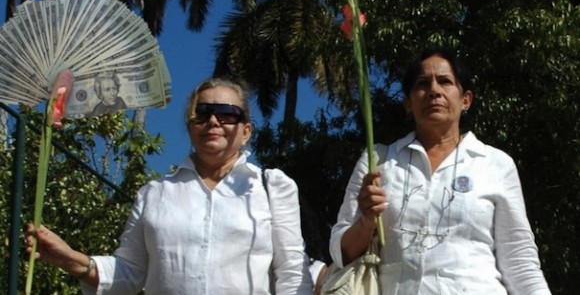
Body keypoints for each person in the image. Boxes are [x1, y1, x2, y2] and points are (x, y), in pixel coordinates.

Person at [27, 77, 314, 294]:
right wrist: (72, 260)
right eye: (202, 113)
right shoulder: (155, 194)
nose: (213, 121)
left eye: (226, 113)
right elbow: (129, 271)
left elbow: (292, 273)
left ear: (246, 131)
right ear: (191, 127)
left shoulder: (272, 187)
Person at [329, 47, 551, 294]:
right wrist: (367, 221)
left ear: (465, 99)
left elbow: (520, 262)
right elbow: (341, 252)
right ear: (408, 103)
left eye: (445, 82)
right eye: (422, 84)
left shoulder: (495, 164)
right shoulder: (378, 162)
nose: (434, 90)